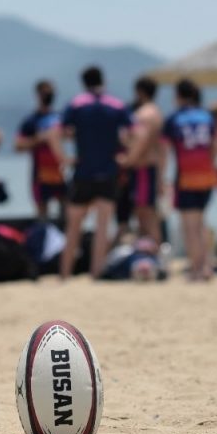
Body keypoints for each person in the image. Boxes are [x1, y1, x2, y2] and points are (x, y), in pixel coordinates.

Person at [60, 66, 133, 279]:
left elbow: (57, 131)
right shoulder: (116, 105)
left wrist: (64, 157)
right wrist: (128, 158)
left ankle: (64, 273)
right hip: (108, 170)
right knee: (103, 226)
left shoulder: (76, 104)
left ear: (83, 82)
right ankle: (96, 272)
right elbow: (135, 132)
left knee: (73, 225)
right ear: (103, 80)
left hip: (83, 171)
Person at [163, 79, 217, 281]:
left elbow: (165, 152)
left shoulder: (174, 118)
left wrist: (162, 178)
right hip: (207, 176)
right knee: (201, 223)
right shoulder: (207, 117)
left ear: (179, 95)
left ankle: (197, 269)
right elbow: (214, 148)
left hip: (186, 177)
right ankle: (206, 266)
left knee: (190, 225)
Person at [15, 80, 67, 220]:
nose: (49, 96)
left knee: (66, 212)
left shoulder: (60, 118)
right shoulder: (31, 121)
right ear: (38, 95)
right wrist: (39, 139)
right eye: (45, 93)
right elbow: (18, 146)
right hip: (40, 173)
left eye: (51, 93)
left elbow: (70, 136)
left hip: (60, 171)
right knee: (42, 214)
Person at [122, 76, 164, 245]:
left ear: (139, 91)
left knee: (145, 211)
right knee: (145, 211)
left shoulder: (144, 114)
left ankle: (154, 250)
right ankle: (149, 249)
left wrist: (127, 160)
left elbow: (141, 141)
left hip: (143, 167)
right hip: (148, 167)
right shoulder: (155, 112)